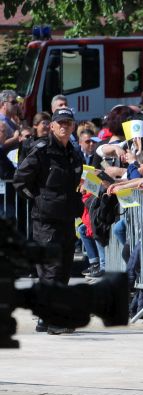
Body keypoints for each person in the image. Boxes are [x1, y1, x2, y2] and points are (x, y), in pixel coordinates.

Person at [12, 108, 84, 334]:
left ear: (73, 126)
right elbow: (20, 181)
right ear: (51, 125)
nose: (64, 126)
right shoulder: (42, 150)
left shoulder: (72, 151)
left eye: (68, 123)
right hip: (46, 221)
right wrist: (40, 200)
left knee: (63, 269)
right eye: (60, 122)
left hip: (66, 218)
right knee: (50, 269)